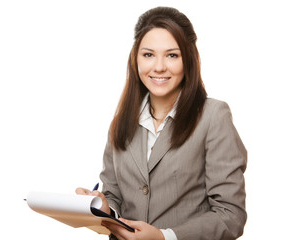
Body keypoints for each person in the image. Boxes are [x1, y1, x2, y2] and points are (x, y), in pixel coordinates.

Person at [76, 6, 247, 240]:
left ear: (188, 60)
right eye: (148, 54)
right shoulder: (121, 121)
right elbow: (114, 195)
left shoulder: (213, 116)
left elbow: (231, 215)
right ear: (135, 58)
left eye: (172, 55)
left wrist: (165, 236)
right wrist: (103, 208)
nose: (158, 67)